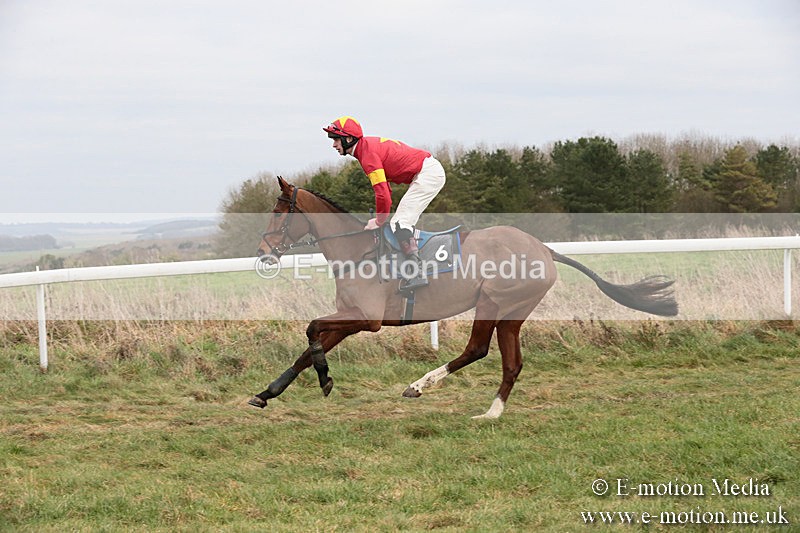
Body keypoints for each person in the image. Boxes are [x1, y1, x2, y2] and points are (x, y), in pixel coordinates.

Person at [323, 116, 446, 291]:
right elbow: (385, 190)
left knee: (400, 223)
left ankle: (417, 274)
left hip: (428, 174)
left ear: (348, 138)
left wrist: (379, 220)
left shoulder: (367, 155)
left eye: (335, 139)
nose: (333, 145)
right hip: (425, 171)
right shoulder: (365, 150)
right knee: (399, 221)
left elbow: (383, 195)